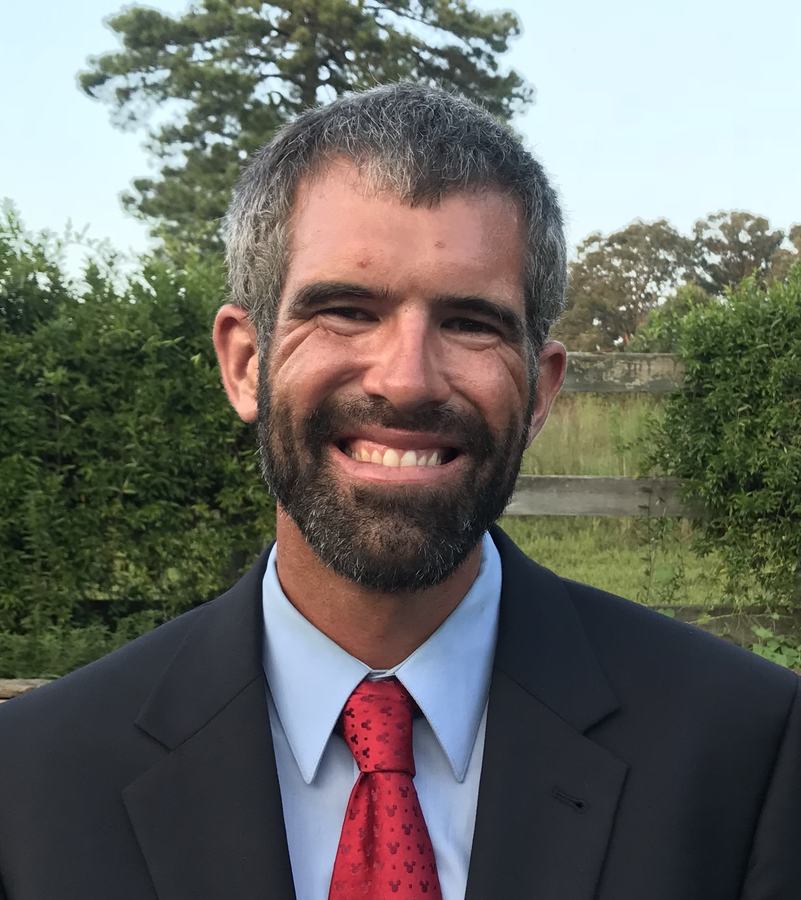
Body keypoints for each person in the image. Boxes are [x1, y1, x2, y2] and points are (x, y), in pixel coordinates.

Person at [0, 83, 799, 900]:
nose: (407, 381)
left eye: (470, 323)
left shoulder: (747, 752)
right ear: (245, 363)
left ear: (540, 392)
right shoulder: (31, 782)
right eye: (346, 310)